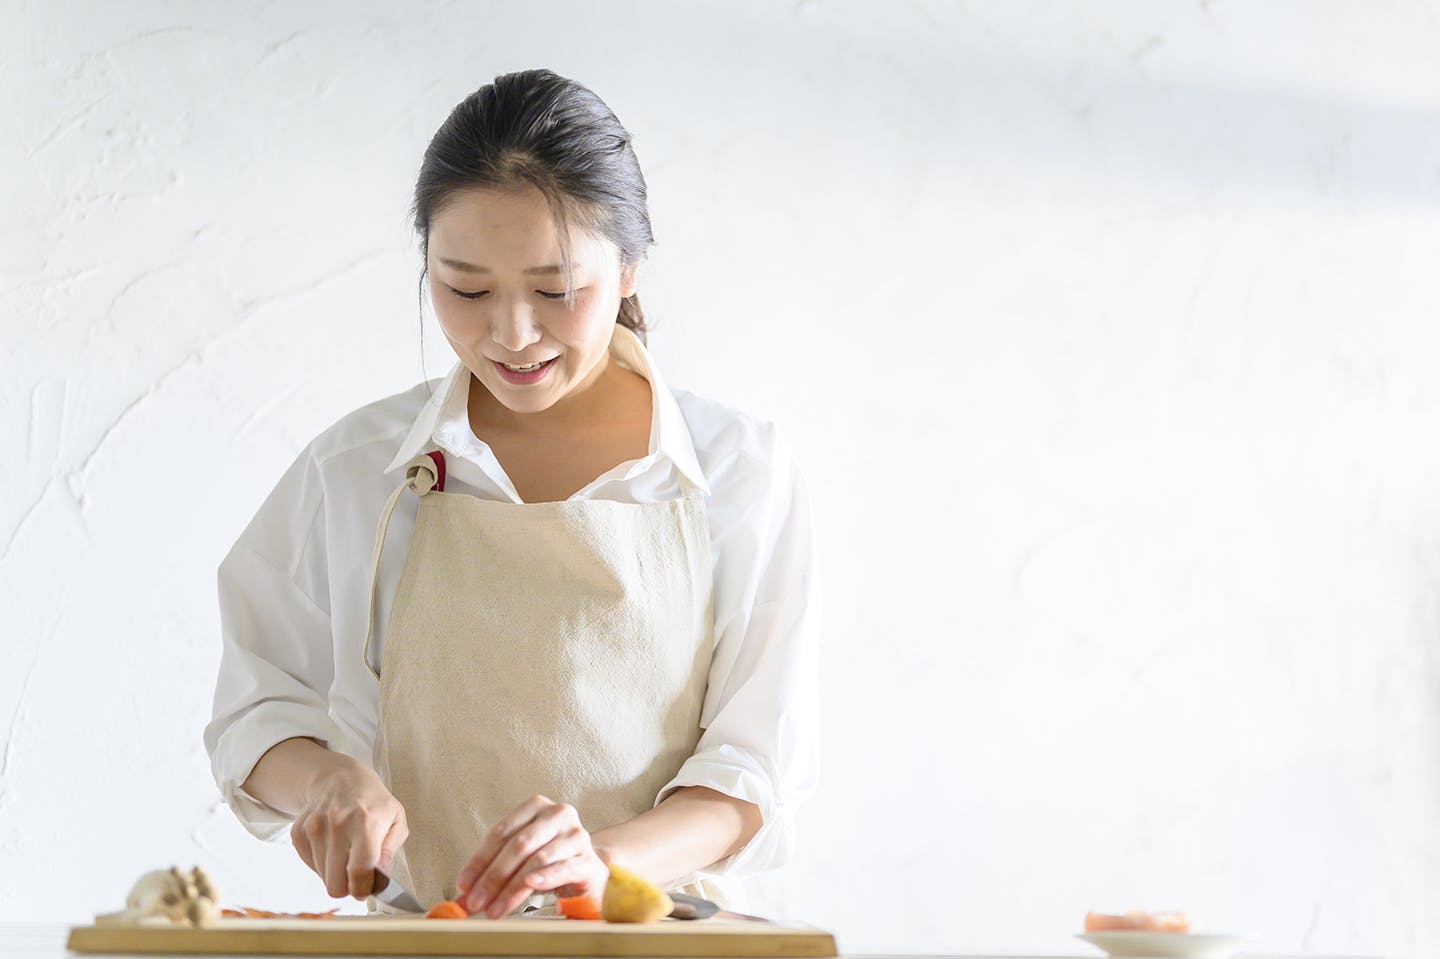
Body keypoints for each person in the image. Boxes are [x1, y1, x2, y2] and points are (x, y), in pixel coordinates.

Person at [203, 67, 820, 919]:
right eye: (465, 289)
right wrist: (328, 778)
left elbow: (751, 774)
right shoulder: (355, 468)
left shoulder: (737, 469)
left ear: (631, 267)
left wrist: (606, 864)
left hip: (656, 935)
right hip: (429, 939)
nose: (512, 333)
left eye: (556, 290)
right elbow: (255, 707)